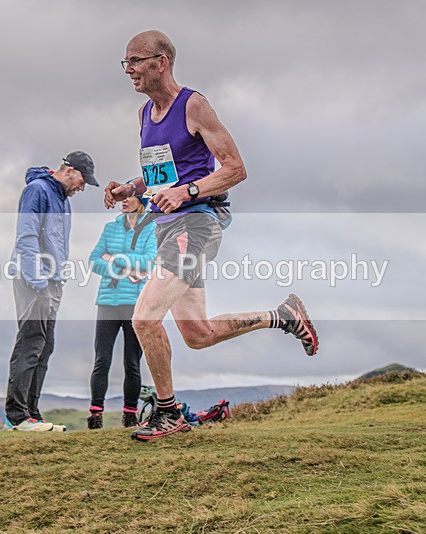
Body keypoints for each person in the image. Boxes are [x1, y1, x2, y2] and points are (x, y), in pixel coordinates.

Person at [104, 31, 320, 441]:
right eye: (125, 62)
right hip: (168, 229)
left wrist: (187, 192)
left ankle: (169, 413)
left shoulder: (194, 105)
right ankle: (283, 315)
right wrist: (130, 188)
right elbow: (160, 176)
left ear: (161, 62)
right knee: (198, 335)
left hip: (196, 225)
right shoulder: (144, 114)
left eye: (135, 60)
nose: (128, 69)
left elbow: (235, 168)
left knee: (144, 318)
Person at [4, 151, 99, 432]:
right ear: (69, 171)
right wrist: (37, 280)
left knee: (45, 345)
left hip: (53, 281)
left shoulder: (62, 199)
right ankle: (16, 417)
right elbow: (27, 235)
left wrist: (56, 279)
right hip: (35, 278)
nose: (82, 187)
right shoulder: (37, 190)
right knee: (31, 341)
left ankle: (31, 414)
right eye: (82, 181)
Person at [86, 194, 157, 430]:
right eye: (122, 198)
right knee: (101, 360)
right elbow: (94, 260)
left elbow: (149, 261)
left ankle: (130, 415)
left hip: (135, 303)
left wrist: (115, 258)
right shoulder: (110, 228)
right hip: (107, 301)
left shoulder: (150, 227)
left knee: (132, 362)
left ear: (141, 202)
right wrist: (123, 269)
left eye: (129, 197)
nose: (123, 201)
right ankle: (95, 415)